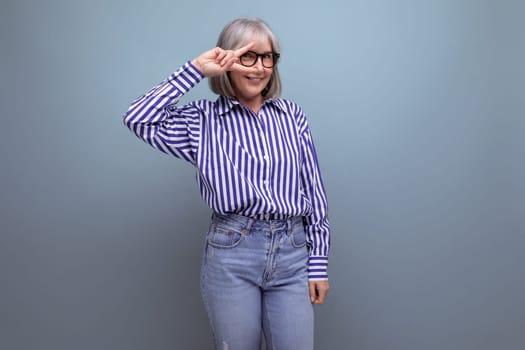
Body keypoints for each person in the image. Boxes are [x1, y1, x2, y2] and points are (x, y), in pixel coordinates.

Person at [123, 17, 330, 350]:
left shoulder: (292, 116)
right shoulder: (201, 120)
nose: (259, 67)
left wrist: (318, 261)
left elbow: (314, 191)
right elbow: (138, 117)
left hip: (293, 254)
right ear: (227, 60)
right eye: (247, 56)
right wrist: (195, 70)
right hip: (233, 252)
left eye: (268, 57)